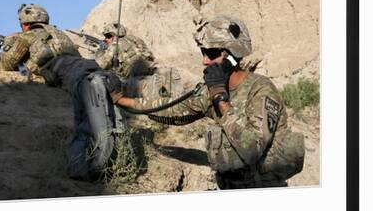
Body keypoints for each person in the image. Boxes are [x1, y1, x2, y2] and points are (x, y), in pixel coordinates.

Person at [113, 15, 305, 189]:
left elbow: (252, 148)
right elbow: (173, 109)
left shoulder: (261, 89)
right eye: (203, 52)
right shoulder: (209, 90)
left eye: (211, 54)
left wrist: (220, 98)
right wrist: (122, 100)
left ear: (231, 56)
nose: (205, 61)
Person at [0, 4, 126, 180]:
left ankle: (91, 166)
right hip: (88, 68)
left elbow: (7, 63)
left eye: (22, 25)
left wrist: (9, 41)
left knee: (89, 119)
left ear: (26, 23)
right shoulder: (61, 35)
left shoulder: (28, 35)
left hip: (75, 75)